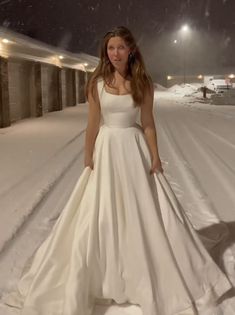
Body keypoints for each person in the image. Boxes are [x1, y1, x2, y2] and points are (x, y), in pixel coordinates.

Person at [3, 26, 233, 315]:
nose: (115, 54)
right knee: (100, 213)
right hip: (107, 148)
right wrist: (88, 156)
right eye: (111, 48)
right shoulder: (97, 83)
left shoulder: (143, 83)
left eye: (121, 48)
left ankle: (141, 268)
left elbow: (148, 123)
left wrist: (155, 157)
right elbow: (92, 124)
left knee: (143, 211)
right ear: (106, 52)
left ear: (131, 50)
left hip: (134, 150)